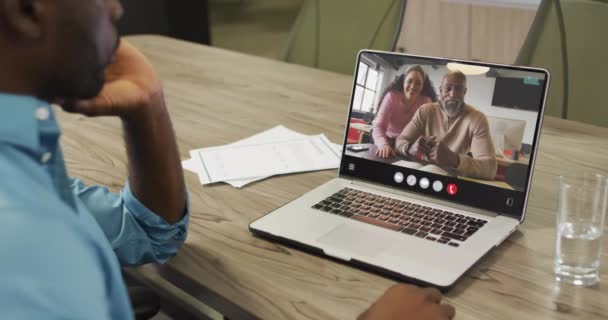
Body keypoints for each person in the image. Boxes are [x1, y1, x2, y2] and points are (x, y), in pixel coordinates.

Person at [0, 1, 455, 319]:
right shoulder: (28, 240)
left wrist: (148, 104)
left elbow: (145, 234)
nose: (117, 10)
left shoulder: (23, 160)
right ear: (25, 10)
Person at [395, 70, 497, 180]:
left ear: (464, 92)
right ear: (440, 90)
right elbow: (400, 141)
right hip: (416, 171)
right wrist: (410, 148)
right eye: (448, 88)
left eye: (458, 89)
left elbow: (490, 169)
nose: (452, 94)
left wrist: (454, 159)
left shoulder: (477, 119)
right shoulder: (425, 111)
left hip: (448, 179)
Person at [372, 65, 436, 159]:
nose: (413, 86)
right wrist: (383, 145)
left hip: (408, 145)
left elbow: (428, 130)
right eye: (410, 81)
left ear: (422, 86)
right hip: (387, 140)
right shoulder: (392, 97)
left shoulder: (426, 101)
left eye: (418, 83)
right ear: (403, 82)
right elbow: (379, 126)